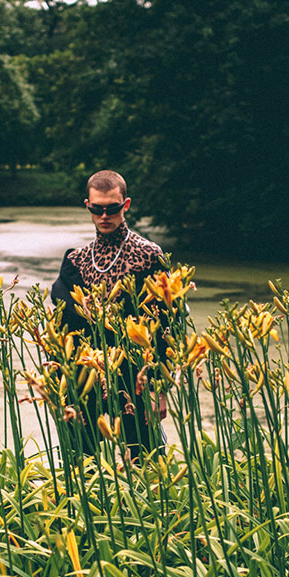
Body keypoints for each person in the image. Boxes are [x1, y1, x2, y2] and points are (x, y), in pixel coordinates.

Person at [51, 170, 167, 459]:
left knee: (146, 462)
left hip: (134, 374)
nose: (105, 215)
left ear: (125, 205)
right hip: (86, 375)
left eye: (112, 208)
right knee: (82, 463)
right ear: (87, 206)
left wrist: (159, 387)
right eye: (97, 208)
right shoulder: (75, 262)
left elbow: (166, 324)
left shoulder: (149, 256)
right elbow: (63, 323)